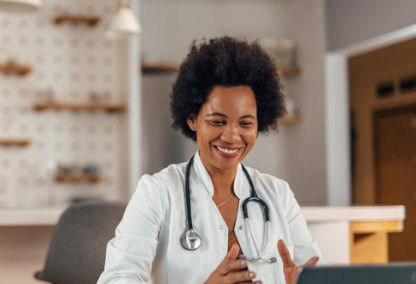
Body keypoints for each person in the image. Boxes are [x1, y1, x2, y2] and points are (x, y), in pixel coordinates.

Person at [98, 36, 325, 284]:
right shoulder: (158, 192)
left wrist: (304, 282)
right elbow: (117, 279)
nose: (231, 136)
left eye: (245, 123)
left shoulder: (278, 195)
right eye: (217, 121)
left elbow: (317, 273)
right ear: (192, 119)